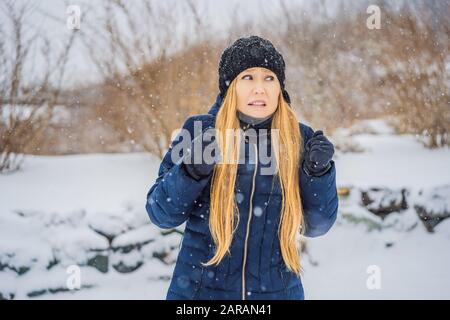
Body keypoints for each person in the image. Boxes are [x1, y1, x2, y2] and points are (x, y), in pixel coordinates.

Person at [145, 35, 338, 300]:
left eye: (269, 78)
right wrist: (191, 170)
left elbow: (318, 226)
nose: (260, 89)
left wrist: (318, 174)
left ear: (280, 88)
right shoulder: (199, 130)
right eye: (248, 77)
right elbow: (161, 213)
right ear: (230, 86)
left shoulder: (299, 139)